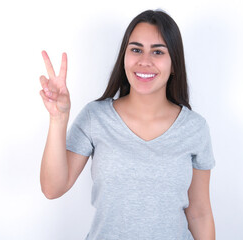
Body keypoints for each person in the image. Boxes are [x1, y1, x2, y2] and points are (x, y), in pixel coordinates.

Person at [39, 9, 216, 240]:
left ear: (174, 65)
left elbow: (199, 213)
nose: (144, 61)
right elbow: (52, 189)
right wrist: (58, 119)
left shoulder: (194, 128)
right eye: (136, 49)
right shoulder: (96, 117)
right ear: (124, 57)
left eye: (158, 52)